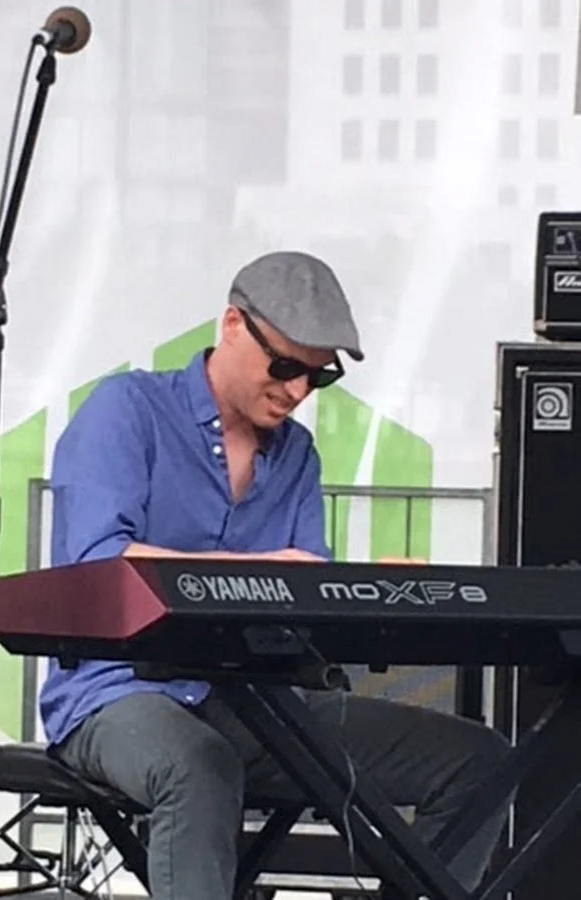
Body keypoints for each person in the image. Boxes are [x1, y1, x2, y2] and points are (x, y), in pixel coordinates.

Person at [38, 251, 509, 900]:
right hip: (116, 696)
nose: (297, 391)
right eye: (285, 366)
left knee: (479, 763)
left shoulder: (298, 456)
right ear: (232, 325)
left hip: (256, 707)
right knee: (199, 767)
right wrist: (259, 571)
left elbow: (301, 595)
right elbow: (99, 563)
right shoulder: (127, 409)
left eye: (319, 376)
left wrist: (371, 589)